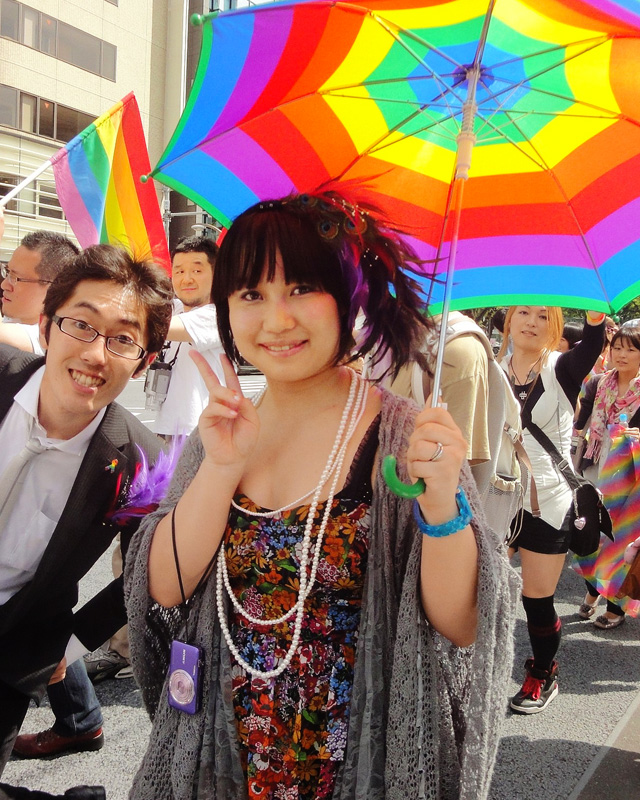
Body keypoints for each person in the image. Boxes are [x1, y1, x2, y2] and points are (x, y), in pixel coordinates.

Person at [125, 190, 519, 800]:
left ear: (349, 297)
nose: (276, 319)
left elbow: (461, 623)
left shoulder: (405, 438)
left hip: (359, 763)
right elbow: (165, 586)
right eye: (251, 294)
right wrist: (222, 468)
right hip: (220, 759)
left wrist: (443, 509)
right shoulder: (223, 432)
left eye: (302, 288)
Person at [0, 245, 173, 799]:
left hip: (9, 650)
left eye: (123, 338)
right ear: (48, 327)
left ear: (144, 362)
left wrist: (70, 647)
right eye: (81, 325)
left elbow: (147, 573)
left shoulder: (140, 464)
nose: (96, 353)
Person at [498, 306, 605, 714]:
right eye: (523, 313)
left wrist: (593, 321)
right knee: (474, 587)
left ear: (555, 326)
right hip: (498, 497)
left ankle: (542, 673)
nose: (531, 322)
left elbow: (591, 346)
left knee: (537, 601)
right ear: (509, 321)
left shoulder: (562, 367)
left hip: (549, 500)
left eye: (543, 317)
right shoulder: (490, 370)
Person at [572, 320, 640, 628]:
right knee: (586, 535)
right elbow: (580, 424)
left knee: (619, 539)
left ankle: (616, 606)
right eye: (617, 348)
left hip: (629, 475)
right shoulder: (598, 382)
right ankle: (592, 591)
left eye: (630, 350)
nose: (621, 355)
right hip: (594, 465)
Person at [151, 235, 225, 439]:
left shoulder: (218, 315)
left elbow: (155, 325)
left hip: (201, 433)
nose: (187, 278)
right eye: (179, 271)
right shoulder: (175, 309)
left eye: (197, 270)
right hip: (166, 428)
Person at [0, 231, 79, 353]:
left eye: (15, 278)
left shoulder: (45, 340)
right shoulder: (15, 320)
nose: (4, 285)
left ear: (53, 289)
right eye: (8, 272)